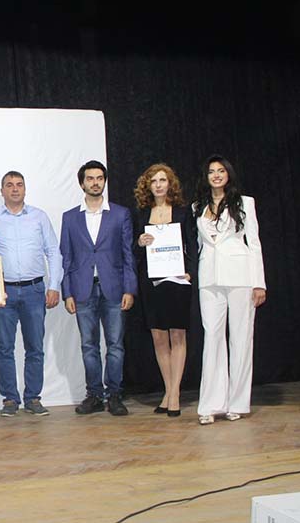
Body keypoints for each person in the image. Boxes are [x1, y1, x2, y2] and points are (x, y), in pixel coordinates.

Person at [0, 171, 62, 417]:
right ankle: (9, 399)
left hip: (34, 290)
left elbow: (53, 251)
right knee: (3, 347)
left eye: (19, 185)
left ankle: (33, 398)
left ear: (25, 189)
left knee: (35, 347)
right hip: (2, 292)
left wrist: (54, 285)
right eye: (9, 185)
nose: (15, 189)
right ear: (2, 191)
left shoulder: (39, 217)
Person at [192, 155, 266, 425]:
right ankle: (211, 404)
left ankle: (237, 402)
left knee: (241, 337)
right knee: (212, 337)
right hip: (209, 277)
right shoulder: (197, 206)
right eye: (211, 171)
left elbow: (254, 243)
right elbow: (199, 244)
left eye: (221, 171)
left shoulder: (245, 203)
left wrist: (259, 282)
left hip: (240, 275)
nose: (216, 175)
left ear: (228, 174)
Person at [60, 160, 137, 416]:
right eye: (90, 178)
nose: (95, 182)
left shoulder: (120, 214)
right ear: (82, 183)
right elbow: (66, 257)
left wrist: (130, 289)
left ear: (104, 181)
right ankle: (94, 395)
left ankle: (114, 395)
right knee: (88, 346)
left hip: (114, 288)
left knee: (115, 345)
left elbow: (128, 254)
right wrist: (67, 292)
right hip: (82, 289)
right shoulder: (70, 217)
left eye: (99, 178)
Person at [132, 163, 197, 418]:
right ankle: (168, 391)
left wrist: (190, 272)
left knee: (177, 335)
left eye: (163, 180)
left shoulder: (183, 213)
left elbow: (192, 245)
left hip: (177, 281)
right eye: (154, 181)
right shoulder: (141, 214)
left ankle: (175, 394)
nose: (158, 185)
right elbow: (132, 252)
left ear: (170, 184)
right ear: (147, 186)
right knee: (159, 338)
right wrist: (139, 242)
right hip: (151, 282)